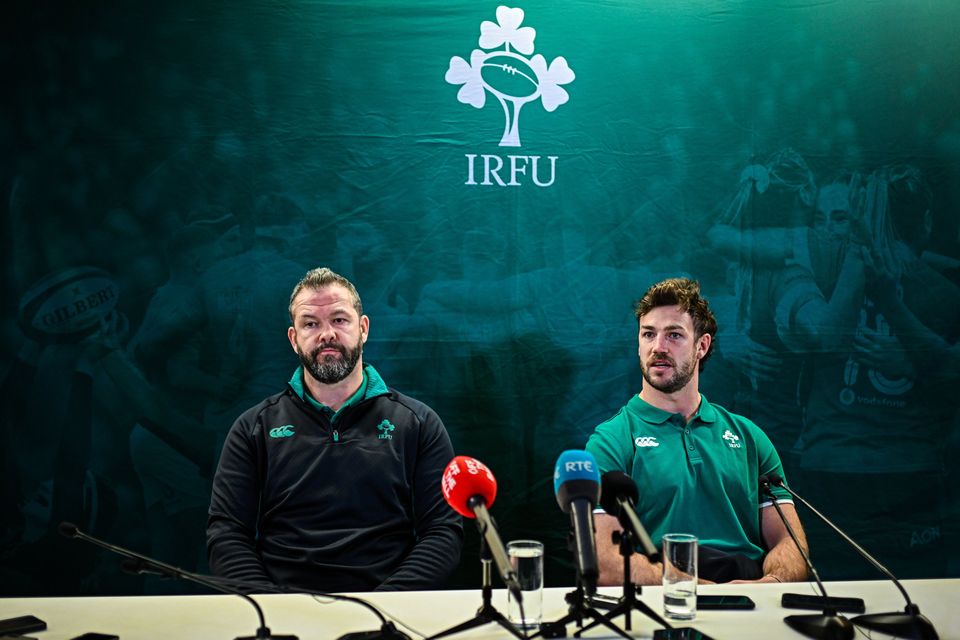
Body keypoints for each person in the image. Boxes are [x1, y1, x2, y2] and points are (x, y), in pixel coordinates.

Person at [207, 267, 463, 592]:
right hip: (281, 616)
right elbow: (226, 533)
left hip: (389, 617)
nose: (326, 333)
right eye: (311, 323)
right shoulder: (252, 428)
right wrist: (271, 608)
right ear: (293, 339)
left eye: (339, 320)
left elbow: (443, 532)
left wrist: (384, 608)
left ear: (364, 328)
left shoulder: (419, 423)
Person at [585, 277, 808, 585]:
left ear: (702, 345)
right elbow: (606, 564)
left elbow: (792, 547)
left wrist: (770, 587)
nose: (658, 347)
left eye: (674, 335)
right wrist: (693, 589)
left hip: (751, 599)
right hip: (663, 602)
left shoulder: (749, 437)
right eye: (648, 334)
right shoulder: (610, 441)